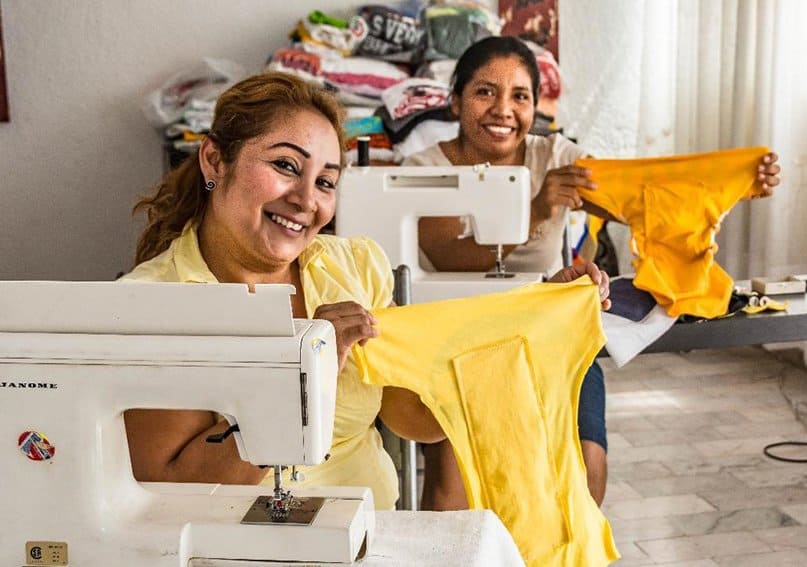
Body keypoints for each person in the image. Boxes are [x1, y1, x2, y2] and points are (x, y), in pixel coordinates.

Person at [121, 71, 613, 512]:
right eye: (287, 167)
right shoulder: (155, 303)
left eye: (326, 182)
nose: (306, 200)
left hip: (372, 535)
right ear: (214, 160)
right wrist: (305, 378)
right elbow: (173, 489)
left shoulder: (353, 267)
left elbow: (413, 417)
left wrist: (532, 315)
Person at [403, 36, 782, 510]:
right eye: (485, 92)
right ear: (455, 99)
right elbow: (448, 256)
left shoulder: (556, 158)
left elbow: (648, 195)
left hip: (549, 333)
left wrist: (735, 183)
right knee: (453, 478)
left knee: (587, 464)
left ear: (535, 107)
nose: (503, 109)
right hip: (458, 336)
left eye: (520, 96)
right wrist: (537, 209)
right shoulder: (422, 168)